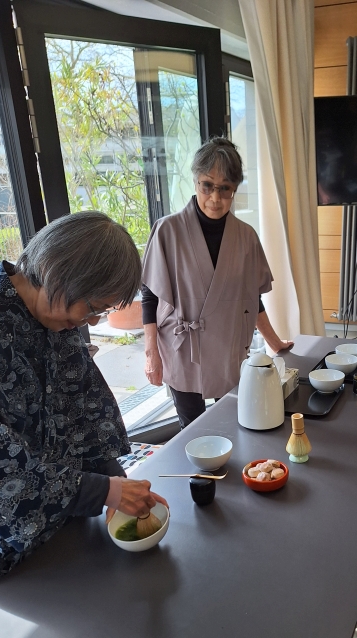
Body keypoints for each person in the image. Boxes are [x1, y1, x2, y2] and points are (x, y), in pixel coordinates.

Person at [0, 211, 168, 638]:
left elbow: (84, 410)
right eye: (93, 306)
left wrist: (111, 483)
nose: (95, 319)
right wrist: (98, 489)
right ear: (60, 276)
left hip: (59, 505)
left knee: (83, 616)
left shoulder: (58, 321)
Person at [141, 136, 293, 428]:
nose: (215, 198)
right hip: (181, 346)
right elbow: (150, 294)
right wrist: (152, 354)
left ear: (235, 189)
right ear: (196, 181)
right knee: (193, 429)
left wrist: (275, 343)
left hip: (228, 347)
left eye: (225, 189)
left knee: (232, 423)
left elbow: (252, 298)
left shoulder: (246, 237)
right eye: (207, 185)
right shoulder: (167, 230)